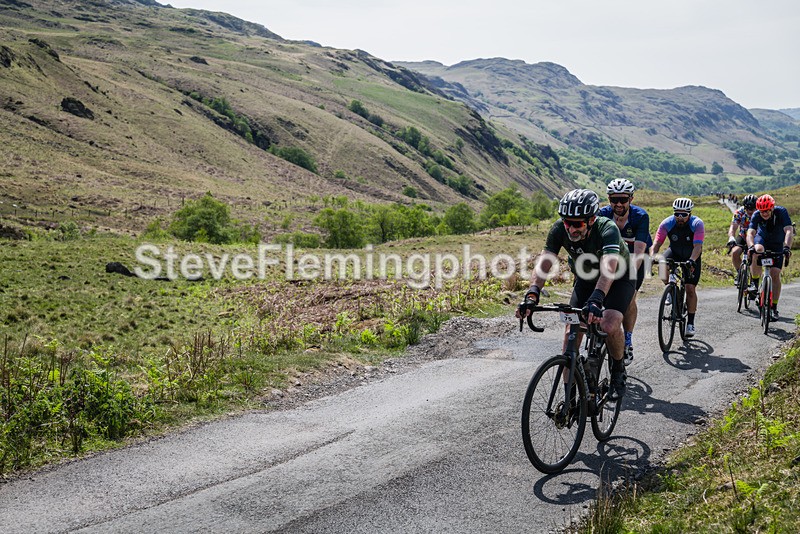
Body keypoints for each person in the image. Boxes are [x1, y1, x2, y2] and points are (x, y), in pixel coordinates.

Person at [517, 188, 635, 400]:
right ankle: (570, 396)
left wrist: (598, 298)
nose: (571, 229)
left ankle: (618, 370)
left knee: (609, 324)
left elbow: (609, 267)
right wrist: (533, 292)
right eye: (567, 222)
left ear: (591, 220)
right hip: (586, 278)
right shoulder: (558, 229)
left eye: (577, 223)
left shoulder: (607, 228)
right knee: (572, 330)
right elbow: (545, 261)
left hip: (619, 278)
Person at [598, 178, 652, 366]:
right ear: (609, 199)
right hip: (613, 256)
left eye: (623, 199)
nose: (619, 204)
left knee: (629, 299)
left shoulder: (640, 216)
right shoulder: (602, 214)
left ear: (631, 198)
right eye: (614, 199)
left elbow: (638, 253)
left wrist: (625, 279)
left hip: (635, 257)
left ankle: (627, 341)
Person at [651, 198, 704, 337]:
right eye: (677, 214)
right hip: (674, 251)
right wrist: (652, 257)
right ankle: (669, 288)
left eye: (684, 214)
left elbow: (698, 246)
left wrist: (692, 260)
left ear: (690, 213)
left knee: (690, 289)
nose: (680, 217)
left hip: (691, 254)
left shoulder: (697, 224)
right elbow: (656, 243)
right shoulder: (667, 223)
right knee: (662, 263)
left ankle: (690, 323)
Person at [746, 194, 794, 320]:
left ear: (772, 208)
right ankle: (755, 283)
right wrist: (751, 246)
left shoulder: (781, 212)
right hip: (762, 240)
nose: (764, 213)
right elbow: (750, 232)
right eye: (762, 211)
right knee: (757, 250)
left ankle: (774, 307)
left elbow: (789, 230)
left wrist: (787, 247)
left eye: (767, 210)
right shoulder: (756, 215)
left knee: (775, 273)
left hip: (777, 244)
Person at [727, 194, 758, 284]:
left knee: (752, 256)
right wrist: (731, 237)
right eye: (747, 208)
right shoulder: (739, 212)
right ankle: (740, 273)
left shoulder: (760, 213)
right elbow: (733, 227)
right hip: (743, 236)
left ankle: (753, 279)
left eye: (752, 209)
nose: (749, 211)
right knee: (735, 252)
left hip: (755, 237)